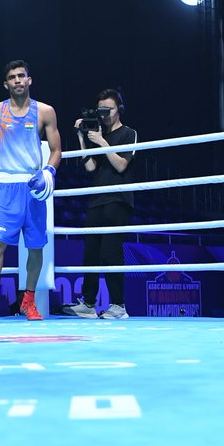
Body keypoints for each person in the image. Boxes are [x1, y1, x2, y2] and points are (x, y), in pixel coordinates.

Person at [0, 60, 61, 321]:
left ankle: (28, 300)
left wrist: (48, 172)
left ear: (30, 80)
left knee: (36, 246)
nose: (17, 80)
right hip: (5, 185)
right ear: (6, 84)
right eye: (12, 77)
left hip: (34, 186)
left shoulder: (45, 112)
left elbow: (56, 150)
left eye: (21, 76)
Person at [61, 89, 137, 319]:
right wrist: (82, 138)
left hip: (118, 198)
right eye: (101, 110)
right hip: (96, 198)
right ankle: (88, 303)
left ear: (119, 110)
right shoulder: (96, 135)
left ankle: (118, 306)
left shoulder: (128, 133)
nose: (104, 115)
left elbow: (121, 165)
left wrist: (102, 142)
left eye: (109, 110)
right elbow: (91, 167)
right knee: (91, 253)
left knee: (110, 251)